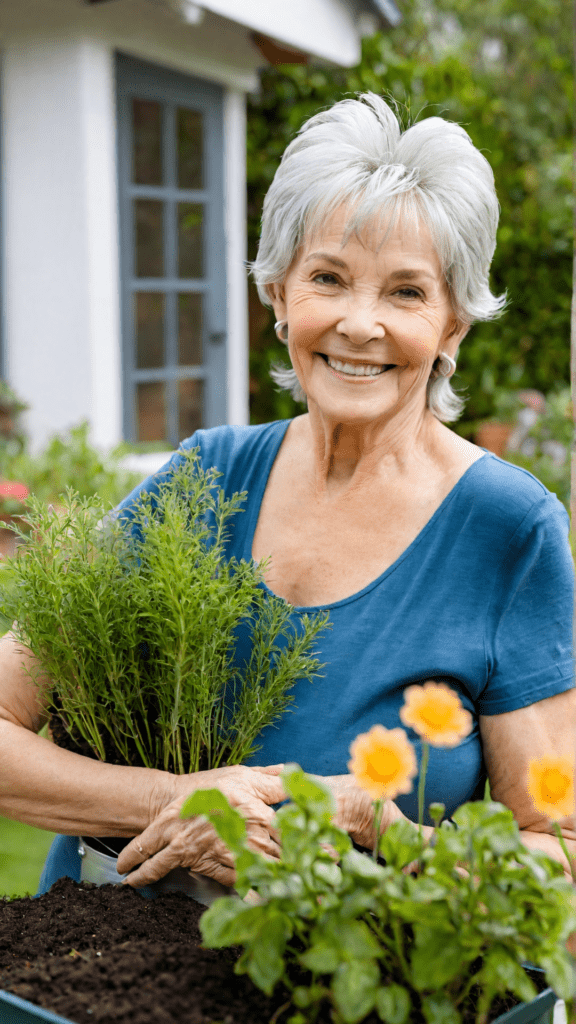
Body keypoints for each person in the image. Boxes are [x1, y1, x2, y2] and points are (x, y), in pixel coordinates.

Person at [1, 93, 574, 892]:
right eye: (328, 278)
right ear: (278, 294)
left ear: (453, 326)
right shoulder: (201, 482)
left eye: (406, 292)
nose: (360, 323)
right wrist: (176, 799)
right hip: (98, 963)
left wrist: (384, 826)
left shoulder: (509, 530)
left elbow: (560, 853)